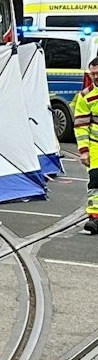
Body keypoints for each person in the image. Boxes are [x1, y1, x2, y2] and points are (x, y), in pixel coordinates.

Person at [76, 53, 98, 235]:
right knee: (95, 182)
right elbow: (81, 126)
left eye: (97, 73)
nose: (95, 76)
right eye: (92, 74)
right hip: (95, 147)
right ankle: (94, 218)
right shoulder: (86, 96)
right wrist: (84, 151)